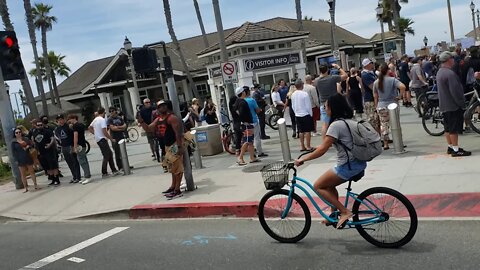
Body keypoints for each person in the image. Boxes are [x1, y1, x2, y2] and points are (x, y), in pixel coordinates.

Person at [294, 93, 366, 229]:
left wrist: (303, 159)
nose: (325, 109)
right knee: (329, 185)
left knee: (318, 186)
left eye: (326, 107)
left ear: (332, 108)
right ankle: (334, 214)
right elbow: (326, 145)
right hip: (358, 163)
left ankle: (344, 212)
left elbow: (323, 149)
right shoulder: (349, 121)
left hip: (347, 166)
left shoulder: (335, 126)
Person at [139, 100, 185, 199]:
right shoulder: (159, 119)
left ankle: (177, 190)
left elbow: (178, 133)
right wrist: (141, 121)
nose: (162, 108)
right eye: (160, 106)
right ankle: (173, 187)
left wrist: (180, 146)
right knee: (172, 168)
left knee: (177, 168)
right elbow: (149, 129)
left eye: (164, 106)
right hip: (167, 145)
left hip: (174, 144)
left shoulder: (171, 118)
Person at [436, 51, 471, 157]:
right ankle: (456, 150)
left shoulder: (440, 72)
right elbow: (455, 91)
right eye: (452, 59)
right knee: (453, 128)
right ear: (449, 60)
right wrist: (461, 103)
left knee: (447, 128)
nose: (453, 61)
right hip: (452, 105)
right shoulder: (450, 74)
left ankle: (450, 146)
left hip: (444, 104)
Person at [373, 63, 406, 150]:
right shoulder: (392, 80)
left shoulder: (376, 82)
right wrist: (399, 96)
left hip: (381, 105)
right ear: (388, 70)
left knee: (384, 125)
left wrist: (376, 107)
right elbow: (403, 86)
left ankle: (385, 143)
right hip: (392, 105)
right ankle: (398, 142)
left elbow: (375, 96)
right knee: (395, 125)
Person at [316, 63, 348, 140]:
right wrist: (338, 67)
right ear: (328, 70)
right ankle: (340, 138)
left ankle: (325, 141)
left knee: (325, 124)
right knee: (338, 121)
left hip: (323, 104)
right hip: (333, 103)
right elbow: (345, 76)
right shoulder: (332, 78)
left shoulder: (317, 81)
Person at [89, 107, 121, 178]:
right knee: (106, 155)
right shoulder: (102, 120)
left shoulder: (95, 119)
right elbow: (104, 131)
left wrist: (96, 133)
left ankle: (113, 170)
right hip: (102, 139)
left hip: (98, 139)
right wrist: (111, 138)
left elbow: (89, 127)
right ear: (103, 112)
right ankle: (104, 172)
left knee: (109, 153)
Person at [234, 86, 259, 165]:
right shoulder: (242, 102)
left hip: (245, 123)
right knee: (247, 141)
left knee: (250, 141)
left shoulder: (238, 101)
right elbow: (241, 113)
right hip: (247, 124)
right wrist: (245, 121)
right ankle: (240, 157)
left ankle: (252, 157)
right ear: (243, 92)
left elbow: (236, 112)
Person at [55, 114, 81, 183]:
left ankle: (78, 177)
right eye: (59, 120)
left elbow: (73, 136)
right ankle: (74, 176)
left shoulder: (69, 127)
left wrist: (74, 146)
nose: (60, 121)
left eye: (61, 119)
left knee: (74, 161)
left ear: (64, 119)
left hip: (70, 145)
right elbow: (58, 138)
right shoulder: (57, 129)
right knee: (69, 163)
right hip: (63, 146)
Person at [33, 119, 60, 186]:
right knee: (47, 166)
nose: (40, 126)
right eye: (38, 125)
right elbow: (34, 142)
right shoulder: (35, 133)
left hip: (49, 151)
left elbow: (52, 138)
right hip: (41, 153)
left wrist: (50, 144)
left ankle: (57, 179)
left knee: (53, 165)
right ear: (36, 126)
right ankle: (52, 179)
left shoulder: (47, 131)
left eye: (41, 125)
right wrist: (37, 151)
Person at [12, 128, 39, 192]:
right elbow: (13, 152)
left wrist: (28, 146)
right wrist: (16, 160)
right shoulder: (14, 142)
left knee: (32, 172)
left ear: (21, 133)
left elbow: (32, 144)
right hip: (20, 159)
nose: (18, 133)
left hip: (28, 157)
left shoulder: (26, 139)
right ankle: (26, 188)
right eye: (16, 132)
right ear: (15, 134)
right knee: (23, 174)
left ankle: (35, 185)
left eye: (19, 132)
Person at [68, 114, 92, 184]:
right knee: (84, 159)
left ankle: (87, 176)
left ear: (73, 118)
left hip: (79, 145)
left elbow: (75, 136)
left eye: (70, 119)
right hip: (83, 144)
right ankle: (87, 175)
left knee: (82, 161)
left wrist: (75, 146)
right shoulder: (81, 125)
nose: (69, 121)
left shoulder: (75, 126)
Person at [291, 78, 314, 151]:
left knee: (301, 131)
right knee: (307, 131)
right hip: (305, 114)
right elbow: (308, 105)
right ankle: (308, 146)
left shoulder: (293, 94)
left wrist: (296, 112)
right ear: (302, 85)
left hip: (298, 114)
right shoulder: (304, 94)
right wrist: (310, 114)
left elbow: (293, 105)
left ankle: (302, 146)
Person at [245, 88, 268, 158]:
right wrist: (260, 110)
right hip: (254, 120)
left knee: (249, 139)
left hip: (246, 123)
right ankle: (259, 152)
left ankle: (252, 153)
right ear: (248, 92)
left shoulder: (241, 101)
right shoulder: (251, 100)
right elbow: (257, 110)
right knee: (256, 137)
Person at [361, 58, 378, 125]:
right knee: (373, 120)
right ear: (367, 65)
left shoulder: (372, 73)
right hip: (370, 100)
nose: (373, 64)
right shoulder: (365, 75)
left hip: (374, 99)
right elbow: (373, 87)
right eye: (371, 63)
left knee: (376, 120)